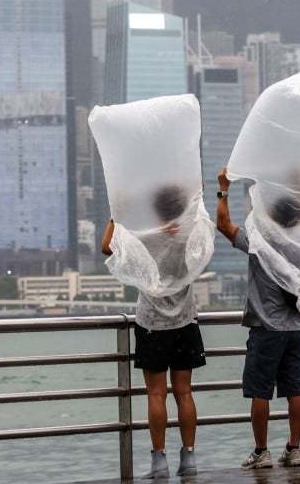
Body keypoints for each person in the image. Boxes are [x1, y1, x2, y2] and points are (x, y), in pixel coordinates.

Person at [102, 186, 205, 479]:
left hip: (152, 324)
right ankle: (190, 459)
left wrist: (116, 215)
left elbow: (106, 246)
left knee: (156, 394)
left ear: (155, 209)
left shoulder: (144, 236)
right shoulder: (190, 236)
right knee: (184, 393)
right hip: (186, 321)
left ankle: (159, 461)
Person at [215, 166, 300, 470]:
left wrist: (224, 188)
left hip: (266, 329)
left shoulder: (259, 242)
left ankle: (261, 451)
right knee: (295, 389)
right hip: (295, 329)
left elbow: (224, 225)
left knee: (260, 390)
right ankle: (294, 449)